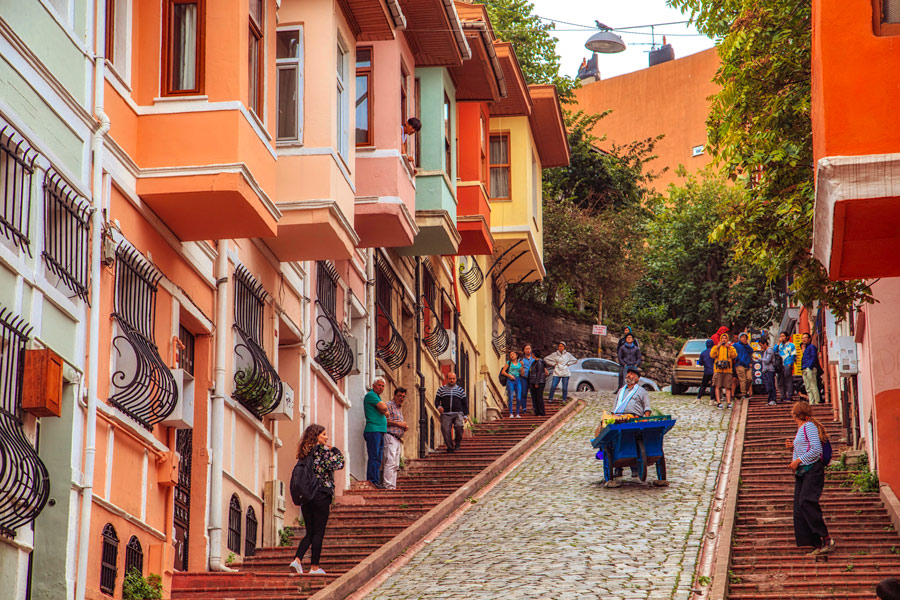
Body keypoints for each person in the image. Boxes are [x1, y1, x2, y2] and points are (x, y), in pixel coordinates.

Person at [289, 424, 344, 575]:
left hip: (307, 496)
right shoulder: (322, 451)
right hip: (321, 494)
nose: (326, 437)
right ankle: (314, 567)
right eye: (324, 434)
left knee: (310, 532)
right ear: (316, 436)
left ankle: (297, 560)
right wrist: (335, 450)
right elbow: (339, 463)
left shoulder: (304, 453)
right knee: (318, 532)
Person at [785, 401, 835, 556]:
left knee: (806, 502)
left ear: (795, 414)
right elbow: (806, 446)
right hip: (803, 471)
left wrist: (797, 461)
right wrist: (793, 447)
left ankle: (825, 538)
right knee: (800, 505)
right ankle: (815, 542)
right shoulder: (802, 428)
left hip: (812, 469)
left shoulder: (808, 427)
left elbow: (816, 449)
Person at [606, 367, 652, 487]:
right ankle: (617, 467)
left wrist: (645, 421)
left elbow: (647, 408)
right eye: (628, 373)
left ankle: (634, 467)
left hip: (634, 419)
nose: (629, 376)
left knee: (633, 439)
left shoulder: (641, 391)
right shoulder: (621, 391)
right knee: (616, 440)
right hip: (619, 419)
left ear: (637, 378)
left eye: (632, 374)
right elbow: (615, 407)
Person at [363, 378, 388, 487]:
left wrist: (384, 410)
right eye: (379, 385)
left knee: (378, 457)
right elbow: (384, 408)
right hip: (373, 430)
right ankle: (372, 480)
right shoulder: (371, 395)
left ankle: (376, 480)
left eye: (383, 386)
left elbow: (386, 412)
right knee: (374, 456)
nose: (381, 387)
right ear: (373, 385)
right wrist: (384, 409)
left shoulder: (377, 397)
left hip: (379, 430)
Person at [382, 387, 408, 490]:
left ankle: (392, 486)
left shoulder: (399, 408)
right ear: (394, 396)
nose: (401, 398)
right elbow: (385, 421)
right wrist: (398, 424)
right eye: (399, 396)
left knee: (396, 464)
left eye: (403, 396)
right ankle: (388, 485)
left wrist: (403, 427)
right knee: (390, 461)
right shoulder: (389, 405)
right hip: (390, 436)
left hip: (397, 439)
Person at [435, 371, 468, 451]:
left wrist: (465, 415)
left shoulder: (460, 390)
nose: (452, 380)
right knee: (445, 430)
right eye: (450, 379)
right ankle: (450, 447)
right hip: (446, 413)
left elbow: (464, 403)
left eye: (453, 379)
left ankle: (457, 443)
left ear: (456, 379)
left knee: (459, 427)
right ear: (447, 379)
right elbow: (436, 401)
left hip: (458, 413)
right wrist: (439, 407)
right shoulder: (441, 389)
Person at [710, 333, 737, 409]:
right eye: (722, 338)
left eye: (725, 338)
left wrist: (729, 348)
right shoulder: (716, 347)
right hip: (718, 370)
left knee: (728, 387)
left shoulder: (731, 347)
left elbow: (734, 355)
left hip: (727, 370)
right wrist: (717, 347)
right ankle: (719, 402)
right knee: (717, 386)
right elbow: (712, 355)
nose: (724, 340)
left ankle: (728, 402)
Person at [500, 351, 523, 418]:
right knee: (510, 397)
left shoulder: (519, 364)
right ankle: (511, 413)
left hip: (518, 380)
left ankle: (518, 413)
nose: (512, 356)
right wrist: (509, 375)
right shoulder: (508, 363)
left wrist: (522, 366)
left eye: (513, 354)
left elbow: (522, 374)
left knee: (519, 397)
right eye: (510, 355)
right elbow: (503, 372)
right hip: (510, 380)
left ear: (516, 355)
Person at [775, 332, 797, 403]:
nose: (782, 337)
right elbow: (774, 351)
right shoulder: (780, 345)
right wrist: (778, 343)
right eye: (780, 336)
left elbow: (793, 355)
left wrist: (790, 364)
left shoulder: (791, 345)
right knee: (781, 381)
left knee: (788, 380)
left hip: (787, 364)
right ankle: (782, 396)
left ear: (787, 337)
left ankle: (790, 396)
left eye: (783, 336)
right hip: (780, 365)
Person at [800, 333, 821, 405]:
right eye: (803, 338)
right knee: (807, 387)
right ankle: (811, 402)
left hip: (810, 368)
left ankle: (816, 401)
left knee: (812, 385)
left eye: (805, 338)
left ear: (809, 339)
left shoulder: (812, 347)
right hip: (804, 368)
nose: (804, 339)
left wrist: (810, 366)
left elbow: (813, 357)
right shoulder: (805, 349)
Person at [733, 332, 754, 401]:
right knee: (743, 379)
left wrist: (746, 345)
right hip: (740, 364)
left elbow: (751, 351)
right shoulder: (736, 345)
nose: (744, 339)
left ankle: (746, 390)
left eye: (745, 337)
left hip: (747, 364)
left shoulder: (747, 346)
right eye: (742, 337)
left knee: (749, 378)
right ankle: (743, 393)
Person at [527, 348, 549, 416]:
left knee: (539, 398)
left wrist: (537, 383)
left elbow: (539, 373)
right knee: (534, 398)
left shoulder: (539, 362)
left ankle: (541, 412)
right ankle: (537, 411)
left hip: (539, 382)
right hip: (533, 381)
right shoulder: (534, 362)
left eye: (532, 354)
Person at [759, 338, 777, 405]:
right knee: (768, 386)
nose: (761, 347)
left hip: (769, 370)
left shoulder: (769, 350)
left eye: (761, 345)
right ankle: (770, 400)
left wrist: (759, 358)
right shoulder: (765, 351)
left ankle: (773, 399)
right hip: (765, 371)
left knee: (771, 385)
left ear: (765, 344)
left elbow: (767, 360)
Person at [519, 344, 536, 416]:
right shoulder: (521, 359)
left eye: (529, 348)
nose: (528, 350)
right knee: (524, 393)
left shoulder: (534, 358)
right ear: (524, 350)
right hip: (524, 378)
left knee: (534, 393)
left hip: (533, 378)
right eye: (526, 349)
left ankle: (535, 407)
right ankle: (524, 408)